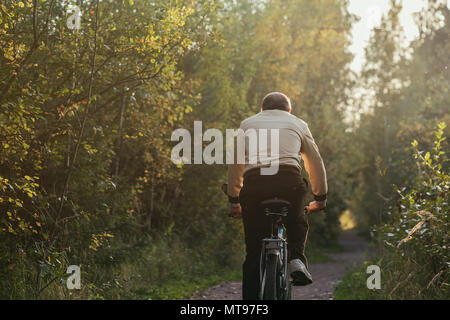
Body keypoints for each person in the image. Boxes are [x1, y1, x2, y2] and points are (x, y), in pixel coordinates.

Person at [226, 92, 328, 300]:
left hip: (255, 186)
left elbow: (236, 163)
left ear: (261, 110)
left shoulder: (248, 124)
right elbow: (314, 162)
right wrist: (320, 197)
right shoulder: (298, 123)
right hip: (288, 183)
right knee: (297, 220)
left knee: (254, 252)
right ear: (288, 110)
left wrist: (234, 200)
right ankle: (297, 258)